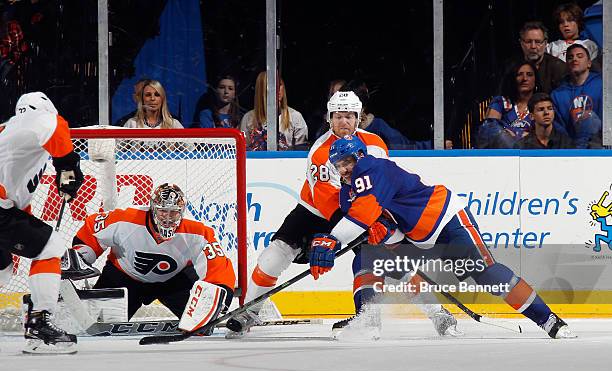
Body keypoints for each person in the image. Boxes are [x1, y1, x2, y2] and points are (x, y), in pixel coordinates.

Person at [227, 91, 459, 337]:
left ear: (358, 118)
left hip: (360, 211)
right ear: (330, 118)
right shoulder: (319, 151)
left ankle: (436, 312)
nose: (344, 122)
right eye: (338, 116)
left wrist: (375, 219)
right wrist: (357, 229)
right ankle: (249, 311)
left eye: (349, 116)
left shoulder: (375, 145)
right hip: (316, 210)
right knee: (276, 253)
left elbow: (381, 187)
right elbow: (328, 201)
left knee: (393, 261)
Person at [309, 137, 576, 339]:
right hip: (418, 237)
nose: (344, 169)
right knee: (367, 258)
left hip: (447, 220)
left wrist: (333, 239)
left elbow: (364, 214)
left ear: (360, 156)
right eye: (339, 165)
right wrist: (386, 234)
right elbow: (386, 228)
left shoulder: (373, 168)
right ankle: (368, 319)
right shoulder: (347, 195)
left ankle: (548, 320)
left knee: (485, 273)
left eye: (348, 162)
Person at [67, 183, 235, 330]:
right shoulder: (125, 219)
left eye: (174, 213)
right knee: (92, 326)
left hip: (175, 282)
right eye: (163, 211)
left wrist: (221, 294)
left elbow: (219, 266)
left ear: (182, 212)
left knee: (201, 324)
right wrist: (82, 255)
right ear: (153, 208)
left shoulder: (198, 232)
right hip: (124, 279)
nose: (168, 218)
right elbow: (92, 229)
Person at [0, 91, 84, 354]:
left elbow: (16, 195)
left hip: (4, 207)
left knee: (3, 270)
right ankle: (40, 324)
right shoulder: (37, 119)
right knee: (51, 248)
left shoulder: (9, 129)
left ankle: (37, 327)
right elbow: (55, 126)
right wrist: (68, 166)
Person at [349, 79, 433, 150]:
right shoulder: (338, 133)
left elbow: (406, 147)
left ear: (362, 108)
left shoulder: (377, 127)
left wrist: (436, 144)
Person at [478, 61, 540, 148]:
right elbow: (489, 129)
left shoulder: (541, 105)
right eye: (519, 74)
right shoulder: (500, 102)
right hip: (503, 155)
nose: (524, 78)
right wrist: (520, 133)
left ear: (535, 79)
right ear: (513, 79)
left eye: (529, 74)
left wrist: (511, 133)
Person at [551, 43, 602, 149]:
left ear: (589, 63)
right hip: (570, 149)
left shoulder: (602, 85)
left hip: (599, 146)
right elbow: (559, 128)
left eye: (579, 56)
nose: (574, 59)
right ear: (566, 64)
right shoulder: (557, 94)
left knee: (589, 117)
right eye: (570, 57)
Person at [240, 71, 308, 150]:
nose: (277, 90)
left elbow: (301, 152)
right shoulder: (248, 118)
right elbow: (244, 150)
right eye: (271, 86)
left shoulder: (295, 117)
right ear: (261, 89)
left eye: (279, 85)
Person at [509, 21, 568, 94]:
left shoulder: (559, 68)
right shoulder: (510, 67)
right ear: (521, 43)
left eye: (538, 42)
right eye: (528, 42)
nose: (533, 46)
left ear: (545, 43)